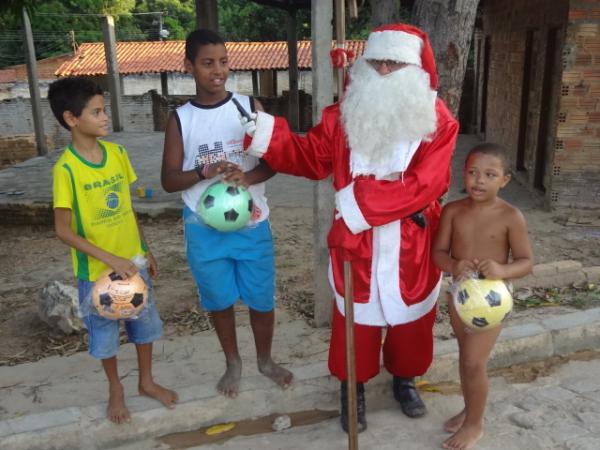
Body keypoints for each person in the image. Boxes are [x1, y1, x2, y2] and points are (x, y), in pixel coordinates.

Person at [241, 23, 459, 432]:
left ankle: (405, 379)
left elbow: (427, 184)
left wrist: (357, 202)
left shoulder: (439, 120)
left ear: (413, 69)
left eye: (393, 63)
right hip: (354, 240)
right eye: (376, 62)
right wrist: (269, 135)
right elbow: (312, 157)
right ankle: (352, 388)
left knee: (410, 321)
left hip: (410, 240)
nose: (382, 70)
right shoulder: (345, 114)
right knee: (354, 319)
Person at [161, 29, 293, 398]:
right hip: (203, 227)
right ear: (189, 66)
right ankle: (232, 362)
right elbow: (169, 180)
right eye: (206, 63)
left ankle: (265, 360)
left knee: (260, 298)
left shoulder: (248, 107)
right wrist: (204, 172)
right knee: (219, 300)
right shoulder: (181, 120)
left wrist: (247, 177)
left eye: (222, 62)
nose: (217, 71)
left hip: (251, 222)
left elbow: (274, 162)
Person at [49, 77, 178, 424]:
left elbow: (127, 209)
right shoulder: (66, 170)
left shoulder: (118, 154)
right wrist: (109, 260)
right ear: (71, 119)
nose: (105, 117)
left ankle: (146, 381)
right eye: (97, 112)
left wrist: (144, 250)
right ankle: (115, 389)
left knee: (145, 327)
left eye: (104, 110)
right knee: (106, 339)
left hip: (132, 264)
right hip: (96, 274)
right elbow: (63, 230)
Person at [432, 142, 533, 450]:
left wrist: (502, 269)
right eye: (473, 172)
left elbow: (526, 261)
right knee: (466, 358)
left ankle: (475, 425)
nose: (479, 180)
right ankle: (469, 408)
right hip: (460, 294)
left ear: (504, 180)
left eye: (490, 174)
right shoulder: (452, 211)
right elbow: (437, 254)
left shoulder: (511, 216)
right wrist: (454, 264)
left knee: (475, 362)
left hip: (493, 300)